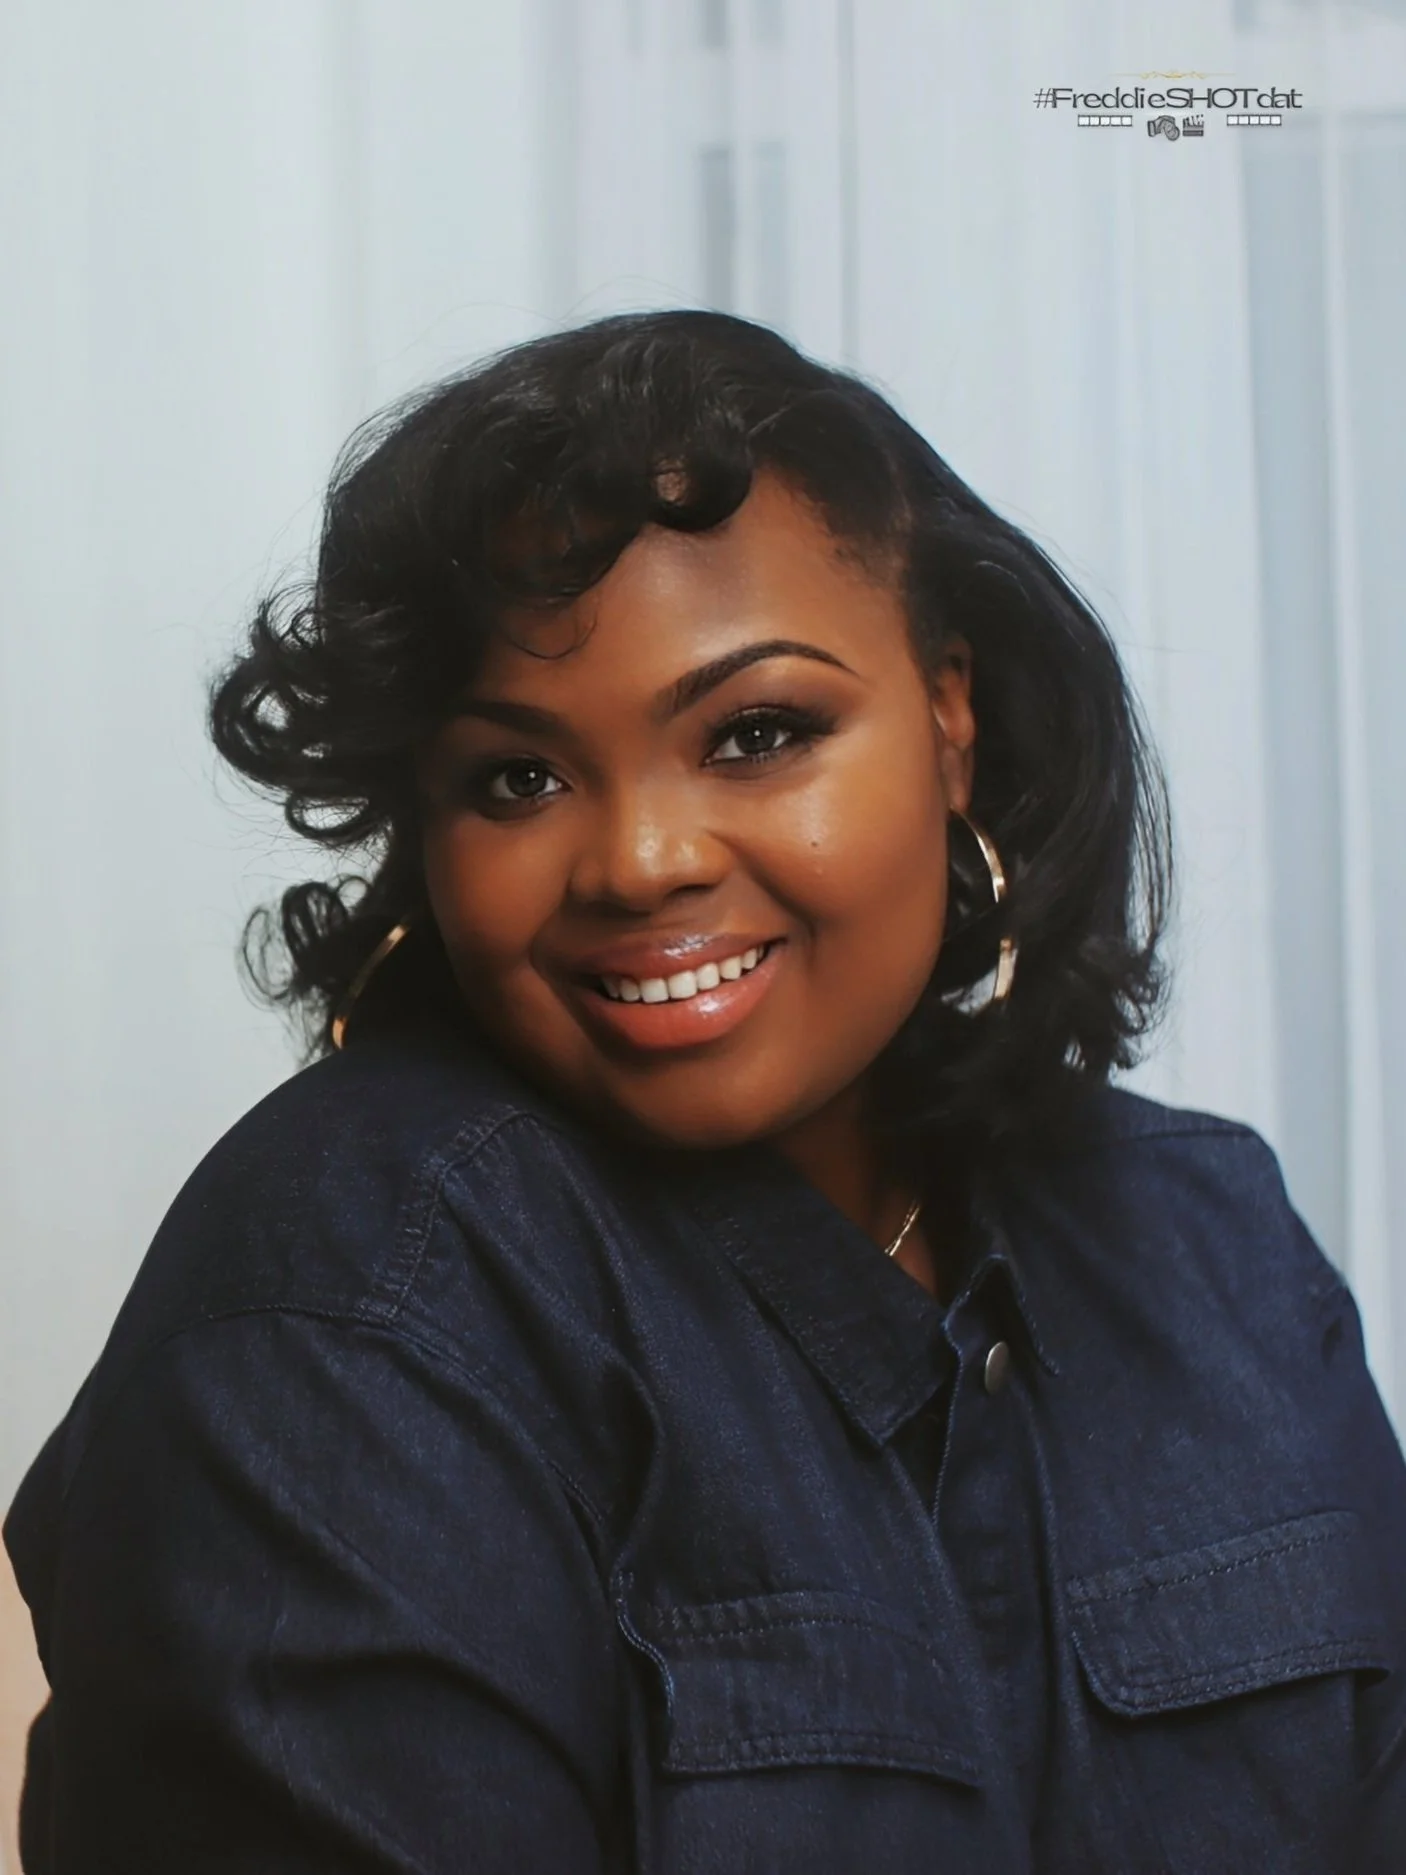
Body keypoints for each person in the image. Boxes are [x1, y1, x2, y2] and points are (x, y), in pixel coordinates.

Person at [5, 310, 1404, 1873]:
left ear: (948, 716)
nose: (639, 859)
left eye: (755, 733)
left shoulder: (1206, 1241)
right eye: (517, 778)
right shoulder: (342, 1309)